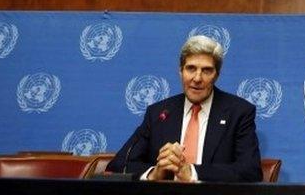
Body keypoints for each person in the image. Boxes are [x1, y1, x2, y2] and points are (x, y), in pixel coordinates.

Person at [106, 35, 262, 182]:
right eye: (191, 68)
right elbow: (119, 164)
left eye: (206, 70)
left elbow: (251, 171)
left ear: (217, 75)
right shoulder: (159, 113)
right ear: (181, 71)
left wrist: (192, 172)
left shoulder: (239, 112)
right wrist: (155, 173)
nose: (197, 78)